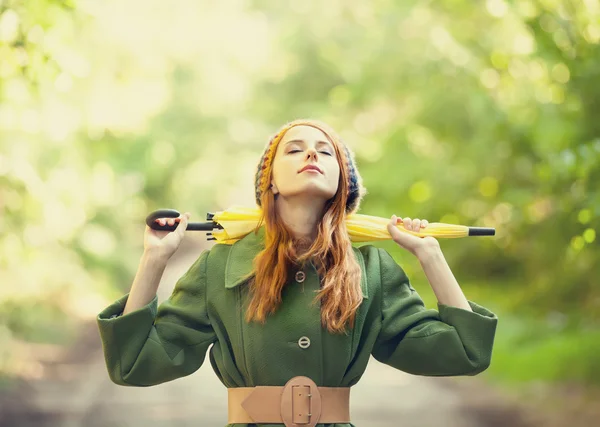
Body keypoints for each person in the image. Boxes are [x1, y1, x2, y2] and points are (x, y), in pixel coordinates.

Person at [97, 119, 498, 427]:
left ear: (343, 183)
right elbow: (134, 364)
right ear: (269, 181)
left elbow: (463, 354)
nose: (311, 155)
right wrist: (154, 259)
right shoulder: (221, 266)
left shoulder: (372, 270)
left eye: (326, 152)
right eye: (295, 149)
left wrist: (431, 256)